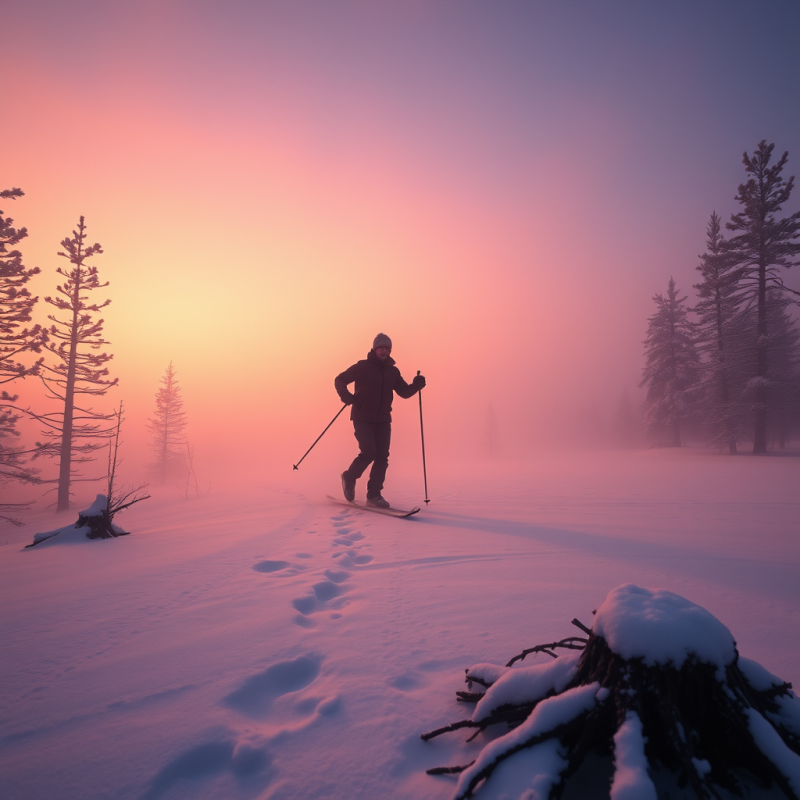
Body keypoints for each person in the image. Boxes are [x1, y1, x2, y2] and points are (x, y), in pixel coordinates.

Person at [335, 333, 426, 508]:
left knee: (382, 456)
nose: (384, 351)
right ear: (375, 348)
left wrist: (416, 385)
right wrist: (345, 395)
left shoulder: (393, 371)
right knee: (369, 452)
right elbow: (340, 379)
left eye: (388, 348)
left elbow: (404, 392)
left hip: (383, 420)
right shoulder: (363, 366)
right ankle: (349, 477)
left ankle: (374, 496)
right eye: (381, 348)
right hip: (362, 417)